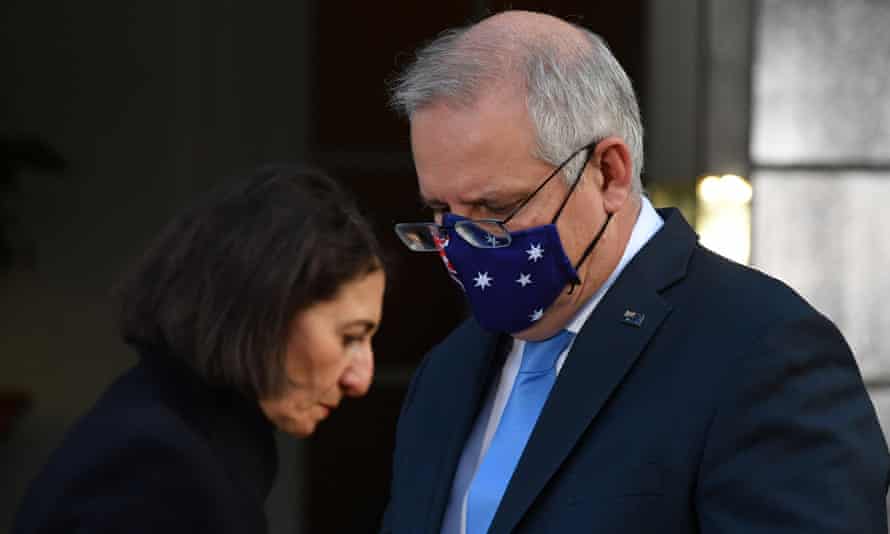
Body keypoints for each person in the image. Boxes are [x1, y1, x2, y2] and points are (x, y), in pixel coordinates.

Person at [383, 10, 888, 534]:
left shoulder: (761, 352)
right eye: (442, 211)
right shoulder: (449, 369)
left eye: (496, 207)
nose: (465, 244)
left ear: (609, 174)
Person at [14, 166, 385, 534]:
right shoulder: (159, 464)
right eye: (349, 337)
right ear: (263, 310)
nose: (361, 380)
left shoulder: (172, 431)